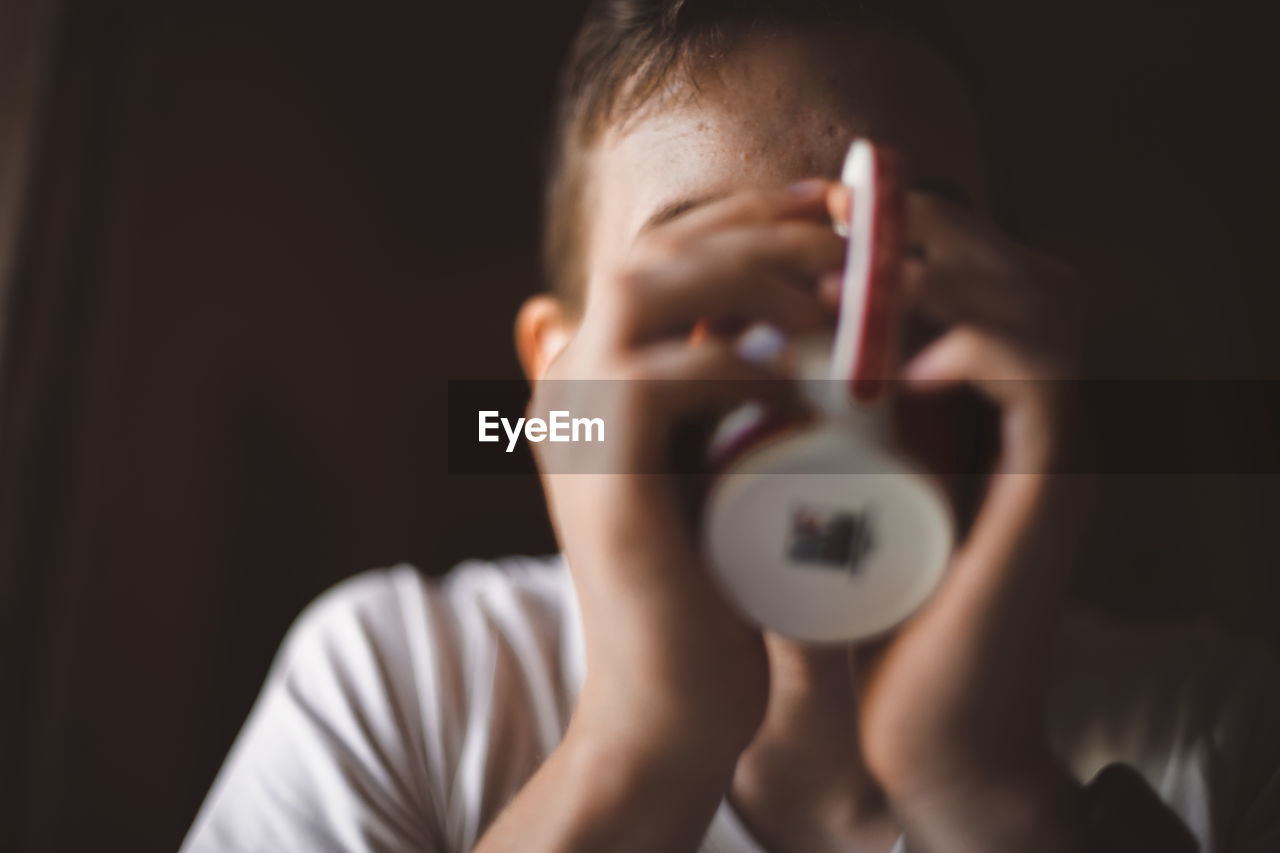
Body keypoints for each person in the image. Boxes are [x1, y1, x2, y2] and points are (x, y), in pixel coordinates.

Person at [180, 2, 1280, 851]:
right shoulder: (397, 689)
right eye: (712, 278)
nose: (826, 361)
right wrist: (635, 752)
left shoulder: (1222, 734)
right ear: (558, 392)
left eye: (901, 258)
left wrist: (983, 789)